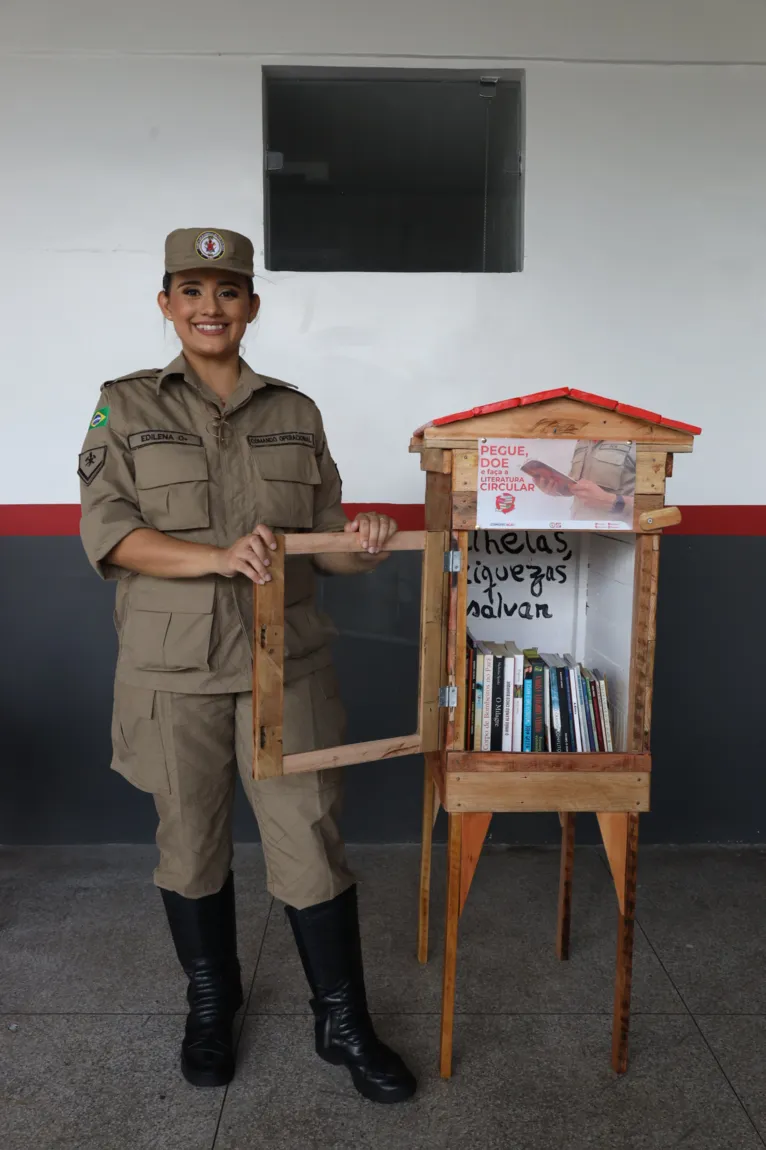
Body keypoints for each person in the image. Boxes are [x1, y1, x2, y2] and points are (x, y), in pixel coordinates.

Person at [78, 228, 416, 1104]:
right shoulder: (124, 404)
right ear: (165, 304)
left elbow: (327, 545)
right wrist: (218, 557)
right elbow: (110, 533)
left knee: (309, 838)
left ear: (252, 307)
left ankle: (341, 1020)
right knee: (189, 845)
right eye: (190, 291)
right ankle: (210, 1001)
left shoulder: (295, 413)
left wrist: (366, 539)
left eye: (227, 292)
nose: (209, 307)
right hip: (172, 670)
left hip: (285, 666)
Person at [536, 440, 635, 523]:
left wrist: (610, 501)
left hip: (618, 536)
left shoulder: (639, 435)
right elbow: (576, 485)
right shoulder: (583, 440)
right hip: (577, 530)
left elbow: (649, 505)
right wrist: (558, 487)